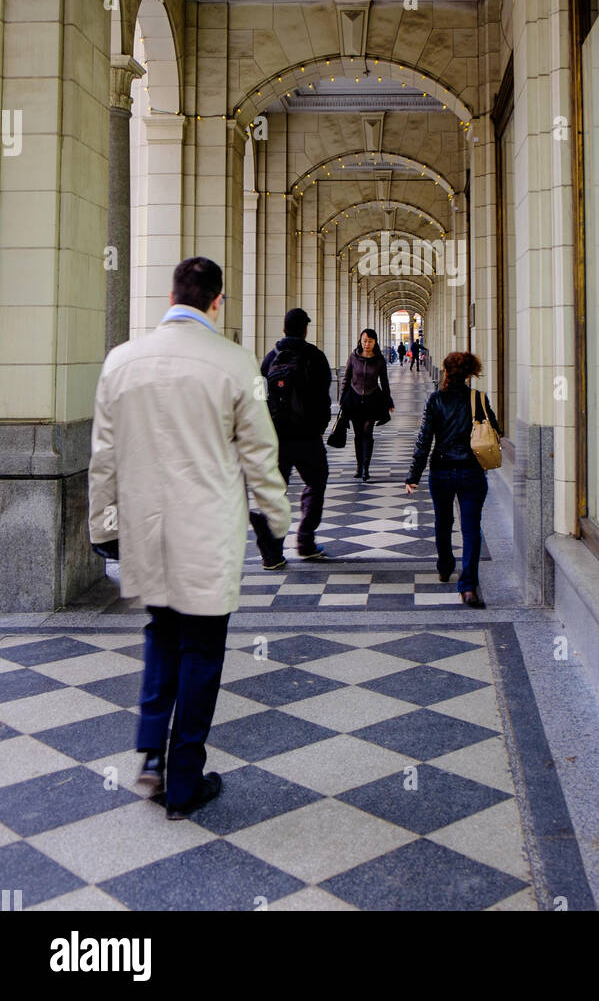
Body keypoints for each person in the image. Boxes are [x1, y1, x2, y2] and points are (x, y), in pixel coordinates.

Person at [88, 257, 290, 819]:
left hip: (147, 533)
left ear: (171, 295)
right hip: (207, 536)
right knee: (202, 652)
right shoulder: (235, 362)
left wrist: (103, 528)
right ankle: (184, 782)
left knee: (160, 633)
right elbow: (259, 452)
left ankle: (150, 751)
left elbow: (103, 456)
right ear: (216, 301)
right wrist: (276, 516)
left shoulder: (122, 360)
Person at [405, 351, 498, 608]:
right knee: (470, 528)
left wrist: (413, 476)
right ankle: (468, 588)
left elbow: (424, 441)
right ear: (470, 373)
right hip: (471, 472)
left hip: (442, 471)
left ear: (445, 372)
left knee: (443, 521)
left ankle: (445, 566)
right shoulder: (478, 399)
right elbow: (495, 430)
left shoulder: (435, 399)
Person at [254, 307, 332, 563]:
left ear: (284, 328)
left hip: (277, 438)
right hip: (308, 437)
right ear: (305, 329)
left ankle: (272, 552)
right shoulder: (315, 356)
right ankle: (305, 539)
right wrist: (319, 427)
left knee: (277, 492)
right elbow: (324, 397)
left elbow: (258, 395)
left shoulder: (269, 358)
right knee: (316, 482)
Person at [340, 329, 394, 481]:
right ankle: (358, 466)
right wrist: (342, 396)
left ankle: (366, 468)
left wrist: (388, 400)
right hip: (355, 399)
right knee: (358, 435)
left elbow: (384, 381)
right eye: (364, 341)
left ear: (375, 342)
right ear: (360, 341)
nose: (367, 344)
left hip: (372, 399)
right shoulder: (353, 357)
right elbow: (346, 377)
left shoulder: (379, 360)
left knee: (367, 432)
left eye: (370, 341)